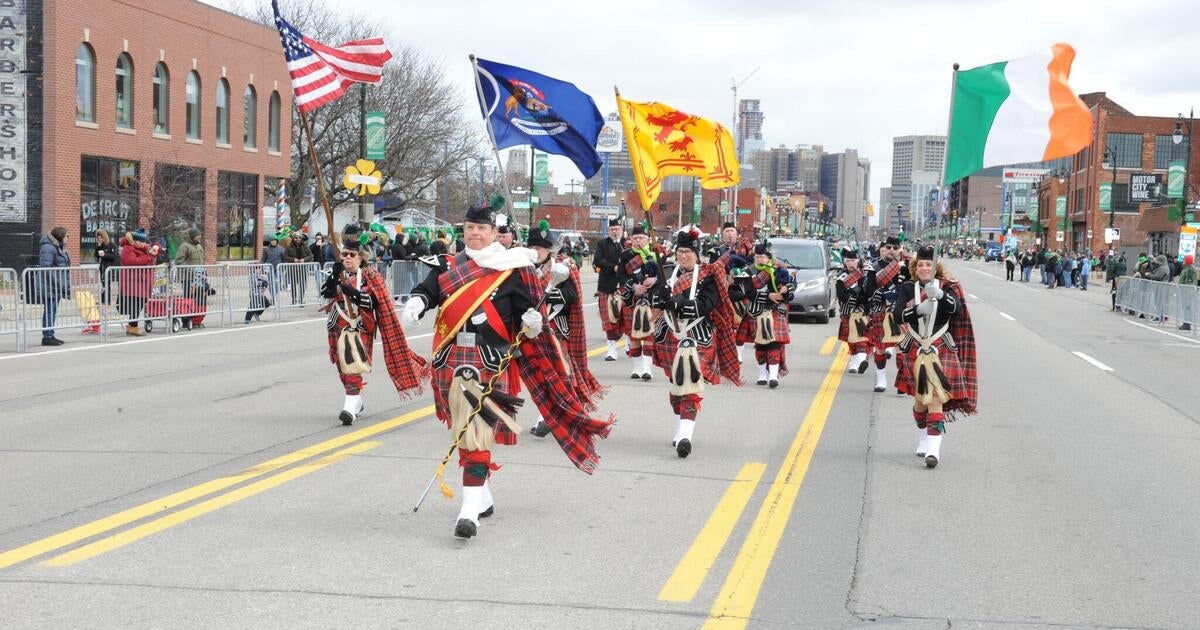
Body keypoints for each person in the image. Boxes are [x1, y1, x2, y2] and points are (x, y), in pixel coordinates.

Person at [403, 204, 612, 540]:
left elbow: (526, 311)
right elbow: (430, 289)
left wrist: (532, 322)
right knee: (464, 431)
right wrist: (417, 300)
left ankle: (468, 512)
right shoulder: (448, 265)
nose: (474, 233)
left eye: (481, 229)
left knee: (475, 434)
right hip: (451, 358)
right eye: (469, 227)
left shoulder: (512, 268)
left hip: (489, 361)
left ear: (493, 232)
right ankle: (481, 495)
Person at [319, 223, 429, 426]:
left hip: (359, 326)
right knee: (343, 369)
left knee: (353, 366)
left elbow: (374, 303)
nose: (348, 259)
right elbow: (325, 294)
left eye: (352, 255)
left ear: (361, 257)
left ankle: (349, 407)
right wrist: (335, 277)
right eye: (345, 255)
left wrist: (353, 293)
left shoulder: (371, 276)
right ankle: (356, 400)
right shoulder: (339, 273)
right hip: (338, 325)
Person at [648, 228, 742, 457]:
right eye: (680, 252)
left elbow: (707, 304)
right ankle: (680, 427)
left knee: (690, 384)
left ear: (696, 253)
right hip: (670, 334)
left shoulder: (708, 275)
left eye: (688, 252)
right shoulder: (667, 272)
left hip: (697, 335)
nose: (683, 256)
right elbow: (653, 300)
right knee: (675, 385)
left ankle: (685, 436)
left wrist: (678, 302)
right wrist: (658, 297)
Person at [892, 245, 978, 468]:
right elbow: (897, 314)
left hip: (941, 347)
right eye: (920, 264)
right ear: (915, 266)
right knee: (921, 402)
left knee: (935, 398)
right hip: (915, 347)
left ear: (935, 266)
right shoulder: (907, 287)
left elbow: (957, 310)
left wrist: (940, 296)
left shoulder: (946, 287)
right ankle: (923, 438)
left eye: (928, 264)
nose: (924, 268)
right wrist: (917, 311)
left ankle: (933, 451)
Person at [526, 220, 605, 438]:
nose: (536, 252)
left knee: (558, 374)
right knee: (540, 376)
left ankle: (547, 417)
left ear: (548, 250)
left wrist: (549, 295)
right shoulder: (521, 268)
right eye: (532, 248)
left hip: (555, 328)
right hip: (531, 330)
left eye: (540, 249)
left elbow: (572, 295)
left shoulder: (562, 267)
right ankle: (558, 413)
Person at [734, 244, 794, 388]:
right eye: (757, 256)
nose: (760, 259)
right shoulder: (747, 271)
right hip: (757, 311)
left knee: (773, 343)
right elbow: (748, 293)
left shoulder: (778, 270)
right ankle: (762, 374)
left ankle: (773, 376)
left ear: (769, 258)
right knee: (761, 345)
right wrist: (769, 295)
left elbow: (793, 284)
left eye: (763, 257)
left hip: (776, 310)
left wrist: (786, 289)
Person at [865, 236, 910, 393]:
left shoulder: (905, 267)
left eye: (895, 248)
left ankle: (902, 380)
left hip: (899, 310)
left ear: (900, 249)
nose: (891, 250)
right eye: (889, 247)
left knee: (901, 347)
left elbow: (910, 288)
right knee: (880, 347)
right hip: (881, 310)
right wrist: (881, 294)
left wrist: (899, 293)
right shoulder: (874, 266)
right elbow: (869, 289)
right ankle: (881, 379)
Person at [618, 224, 662, 381]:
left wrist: (655, 280)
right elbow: (621, 277)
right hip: (633, 299)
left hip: (652, 298)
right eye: (635, 238)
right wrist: (634, 286)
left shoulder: (657, 254)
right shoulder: (625, 256)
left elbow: (667, 274)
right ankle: (636, 368)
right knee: (634, 334)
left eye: (641, 238)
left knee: (650, 334)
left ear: (648, 239)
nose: (638, 241)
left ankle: (646, 368)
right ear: (630, 240)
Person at [708, 222, 754, 363]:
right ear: (722, 234)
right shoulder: (716, 251)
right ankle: (722, 352)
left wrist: (738, 276)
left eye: (732, 231)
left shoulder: (746, 250)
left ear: (736, 233)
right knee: (722, 324)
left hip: (741, 291)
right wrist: (726, 278)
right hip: (722, 292)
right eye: (727, 231)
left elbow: (753, 268)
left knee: (740, 326)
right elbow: (711, 271)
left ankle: (737, 354)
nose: (729, 234)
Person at [836, 247, 872, 375]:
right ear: (845, 262)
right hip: (847, 311)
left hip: (861, 311)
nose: (851, 263)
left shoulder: (864, 276)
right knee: (851, 339)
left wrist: (861, 303)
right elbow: (840, 295)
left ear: (858, 261)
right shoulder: (841, 276)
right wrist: (852, 297)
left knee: (861, 337)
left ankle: (861, 360)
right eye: (848, 260)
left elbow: (868, 293)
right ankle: (854, 361)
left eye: (853, 260)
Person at [592, 222, 625, 361]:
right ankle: (611, 350)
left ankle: (628, 344)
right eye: (612, 229)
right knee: (609, 320)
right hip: (607, 285)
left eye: (617, 229)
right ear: (608, 230)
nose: (615, 231)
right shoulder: (602, 244)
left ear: (621, 230)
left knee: (625, 318)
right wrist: (613, 267)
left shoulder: (627, 243)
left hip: (625, 286)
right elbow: (598, 260)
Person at [118, 229, 159, 336]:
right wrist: (148, 256)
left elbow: (155, 248)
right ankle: (133, 326)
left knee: (139, 303)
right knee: (135, 304)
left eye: (143, 242)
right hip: (132, 282)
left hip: (141, 283)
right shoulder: (128, 249)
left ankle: (132, 326)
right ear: (134, 241)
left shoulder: (143, 248)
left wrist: (156, 247)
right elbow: (132, 262)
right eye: (139, 241)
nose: (142, 244)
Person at [36, 226, 71, 346]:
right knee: (50, 310)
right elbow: (46, 267)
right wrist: (56, 283)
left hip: (56, 285)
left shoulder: (57, 247)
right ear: (60, 236)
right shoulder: (48, 247)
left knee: (52, 310)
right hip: (50, 285)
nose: (68, 238)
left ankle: (50, 333)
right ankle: (47, 336)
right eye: (67, 236)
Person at [174, 228, 208, 326]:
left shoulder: (199, 246)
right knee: (188, 299)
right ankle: (186, 321)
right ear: (192, 236)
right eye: (198, 235)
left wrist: (204, 273)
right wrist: (192, 270)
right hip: (188, 278)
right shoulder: (184, 246)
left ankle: (196, 320)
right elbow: (179, 261)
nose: (200, 237)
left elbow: (201, 261)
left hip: (199, 278)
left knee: (200, 299)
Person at [283, 228, 313, 305]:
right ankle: (294, 300)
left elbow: (311, 256)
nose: (298, 239)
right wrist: (293, 260)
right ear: (293, 239)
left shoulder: (305, 246)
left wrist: (304, 260)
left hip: (303, 269)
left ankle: (301, 300)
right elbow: (285, 257)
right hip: (293, 269)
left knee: (302, 285)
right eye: (296, 238)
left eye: (299, 238)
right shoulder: (289, 247)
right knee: (293, 285)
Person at [95, 229, 117, 304]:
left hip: (109, 267)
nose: (99, 239)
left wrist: (105, 255)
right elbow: (96, 256)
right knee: (103, 284)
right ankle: (103, 300)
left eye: (100, 237)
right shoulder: (100, 245)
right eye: (98, 238)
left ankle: (106, 301)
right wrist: (98, 247)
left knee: (107, 284)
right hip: (102, 267)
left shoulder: (111, 245)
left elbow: (114, 256)